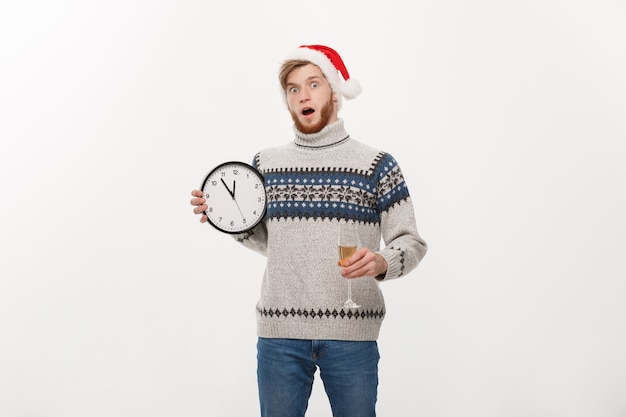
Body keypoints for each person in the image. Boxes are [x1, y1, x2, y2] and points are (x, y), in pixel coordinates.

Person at [190, 44, 427, 417]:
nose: (303, 95)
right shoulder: (265, 164)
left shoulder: (377, 165)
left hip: (352, 334)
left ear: (334, 91)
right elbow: (274, 243)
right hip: (279, 334)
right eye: (294, 89)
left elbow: (410, 241)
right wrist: (228, 218)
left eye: (313, 84)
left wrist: (382, 260)